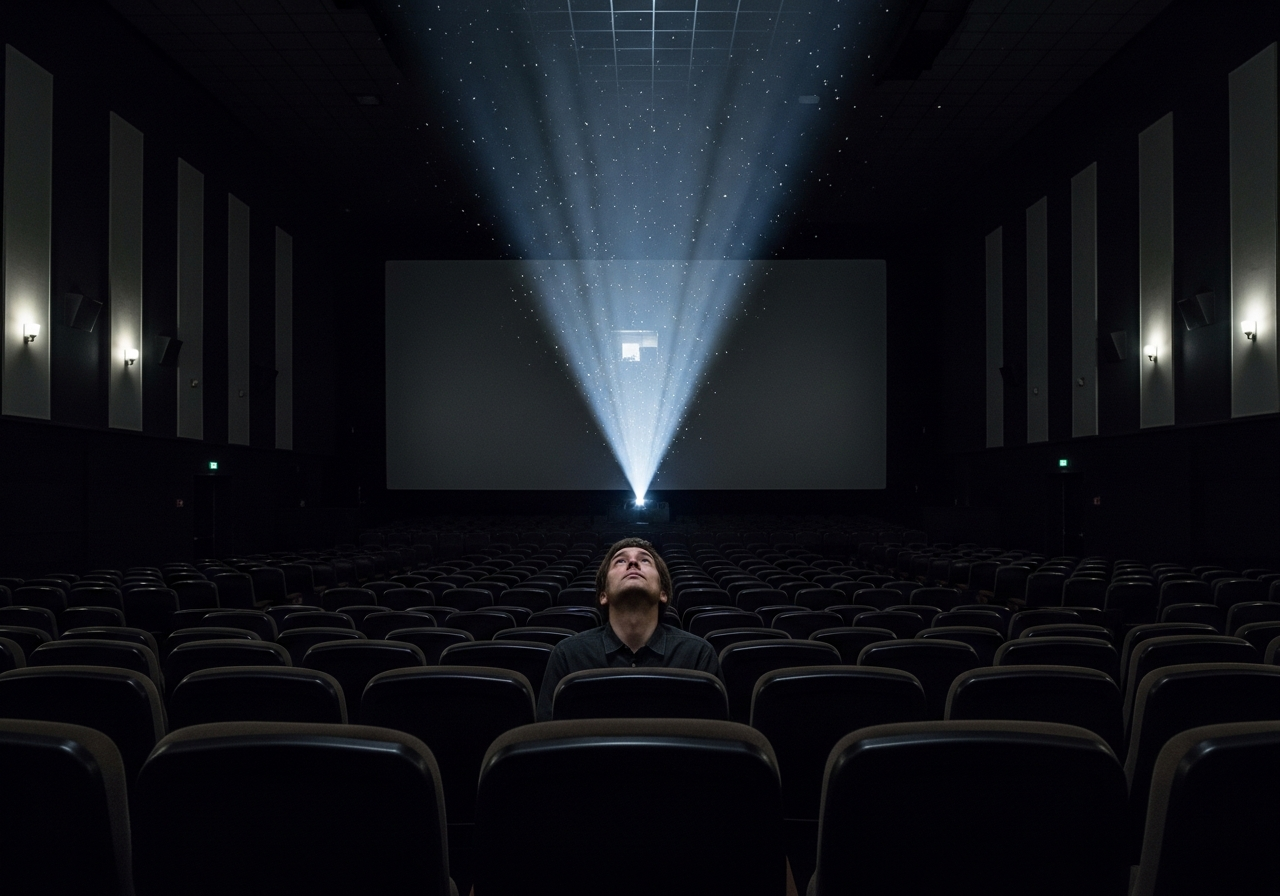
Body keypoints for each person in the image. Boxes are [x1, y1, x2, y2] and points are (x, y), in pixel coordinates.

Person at [535, 537, 722, 721]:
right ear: (603, 595)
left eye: (645, 560)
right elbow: (547, 739)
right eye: (620, 561)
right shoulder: (568, 655)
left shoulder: (698, 654)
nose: (633, 562)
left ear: (663, 594)